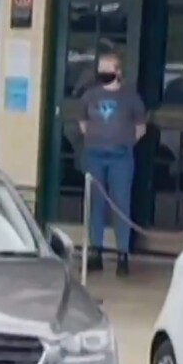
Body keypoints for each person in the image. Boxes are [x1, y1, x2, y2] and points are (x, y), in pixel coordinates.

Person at [77, 53, 147, 276]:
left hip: (121, 158)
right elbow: (83, 123)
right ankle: (95, 252)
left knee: (121, 204)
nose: (102, 73)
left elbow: (140, 128)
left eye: (106, 69)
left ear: (118, 71)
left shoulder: (131, 98)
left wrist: (122, 142)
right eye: (100, 69)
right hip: (94, 156)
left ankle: (123, 254)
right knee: (95, 203)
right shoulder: (89, 96)